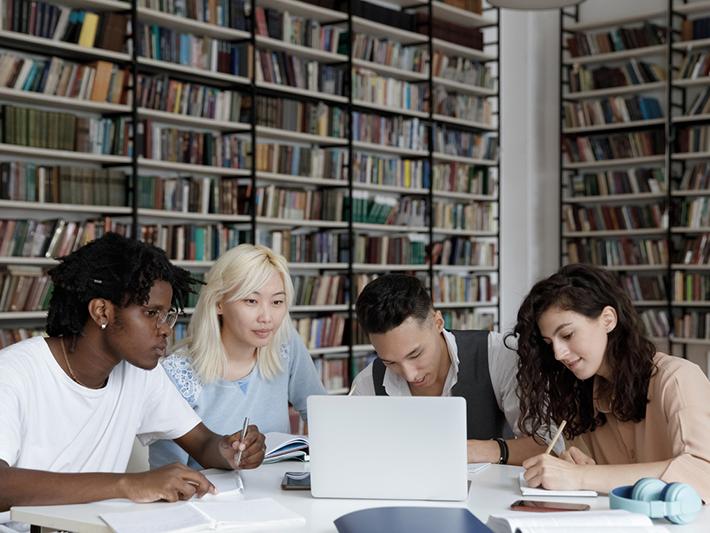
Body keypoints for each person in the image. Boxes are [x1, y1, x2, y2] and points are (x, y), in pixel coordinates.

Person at [0, 233, 266, 522]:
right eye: (151, 313)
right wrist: (130, 484)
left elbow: (203, 443)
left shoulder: (140, 374)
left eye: (167, 316)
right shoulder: (14, 372)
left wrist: (231, 450)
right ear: (102, 311)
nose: (165, 329)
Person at [515, 263, 710, 501]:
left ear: (608, 319)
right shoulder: (579, 398)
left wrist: (582, 476)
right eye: (549, 343)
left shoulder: (677, 378)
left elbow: (703, 473)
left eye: (567, 335)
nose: (558, 354)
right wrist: (576, 467)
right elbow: (600, 481)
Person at [149, 244, 326, 469]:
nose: (267, 317)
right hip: (211, 500)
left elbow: (322, 415)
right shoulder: (177, 373)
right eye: (251, 301)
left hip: (281, 492)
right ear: (219, 302)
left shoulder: (286, 344)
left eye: (277, 302)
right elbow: (167, 474)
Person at [350, 274, 550, 465]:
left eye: (415, 354)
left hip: (487, 495)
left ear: (438, 322)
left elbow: (548, 444)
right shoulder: (367, 382)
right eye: (390, 362)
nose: (410, 374)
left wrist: (484, 450)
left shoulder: (497, 354)